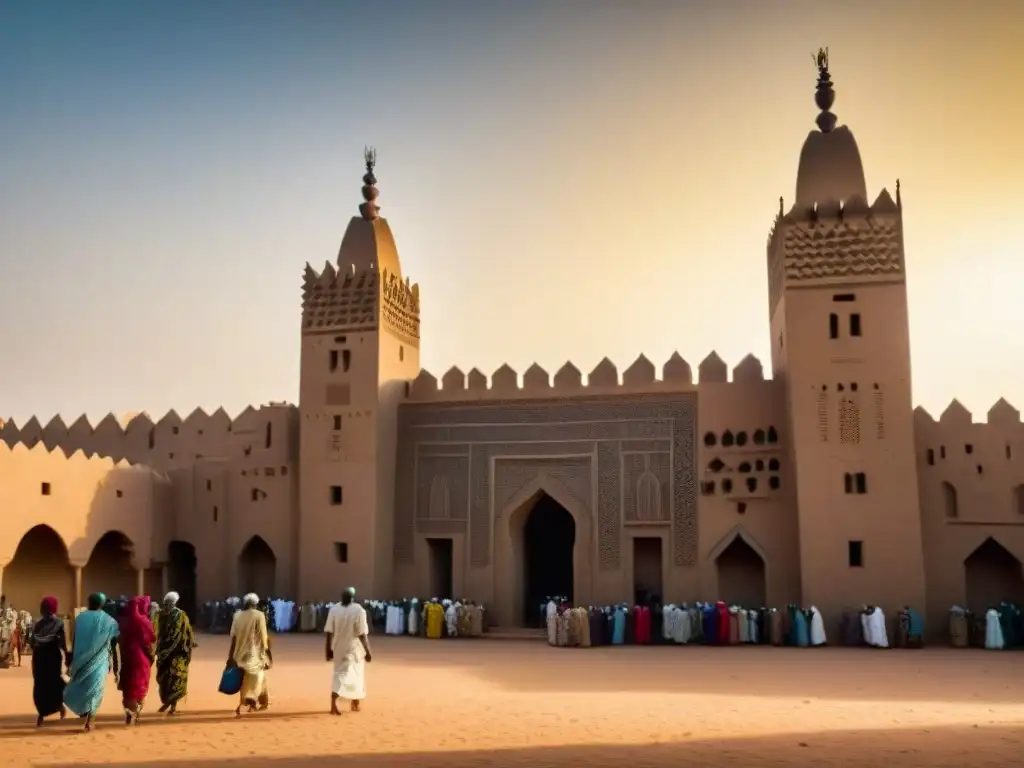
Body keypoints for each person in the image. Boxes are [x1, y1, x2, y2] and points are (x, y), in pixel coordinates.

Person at [64, 592, 120, 732]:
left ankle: (86, 714)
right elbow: (113, 644)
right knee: (96, 690)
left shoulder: (80, 618)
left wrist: (70, 660)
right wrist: (116, 666)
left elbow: (74, 640)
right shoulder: (110, 621)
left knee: (82, 687)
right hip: (100, 662)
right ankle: (90, 719)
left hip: (80, 660)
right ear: (102, 604)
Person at [324, 587, 372, 715]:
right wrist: (368, 650)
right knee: (344, 674)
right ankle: (334, 701)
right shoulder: (359, 611)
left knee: (352, 673)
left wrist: (328, 649)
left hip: (338, 647)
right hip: (353, 648)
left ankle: (355, 701)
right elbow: (362, 633)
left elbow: (329, 632)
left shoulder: (334, 609)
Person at [227, 593, 271, 716]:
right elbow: (263, 636)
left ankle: (263, 701)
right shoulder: (259, 615)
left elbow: (233, 638)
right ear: (255, 604)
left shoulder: (237, 616)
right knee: (257, 677)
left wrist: (230, 656)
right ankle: (249, 701)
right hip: (255, 652)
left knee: (245, 679)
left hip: (239, 653)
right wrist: (266, 651)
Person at [30, 596, 68, 727]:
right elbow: (62, 642)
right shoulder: (58, 623)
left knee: (41, 685)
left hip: (39, 658)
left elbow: (31, 643)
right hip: (52, 657)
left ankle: (42, 714)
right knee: (54, 682)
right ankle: (59, 706)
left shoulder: (36, 624)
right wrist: (68, 657)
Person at [154, 591, 195, 715]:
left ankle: (169, 702)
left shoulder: (159, 614)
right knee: (176, 678)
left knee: (166, 678)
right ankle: (172, 705)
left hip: (164, 653)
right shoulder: (181, 615)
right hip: (178, 653)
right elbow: (187, 633)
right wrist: (190, 643)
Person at [118, 595, 156, 725]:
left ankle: (129, 712)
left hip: (126, 656)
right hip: (141, 657)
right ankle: (137, 710)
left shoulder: (124, 621)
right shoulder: (144, 621)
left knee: (128, 686)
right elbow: (151, 638)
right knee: (140, 684)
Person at [0, 596, 16, 668]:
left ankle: (4, 657)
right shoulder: (7, 610)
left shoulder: (7, 610)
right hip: (5, 628)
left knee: (5, 642)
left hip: (5, 628)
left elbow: (10, 619)